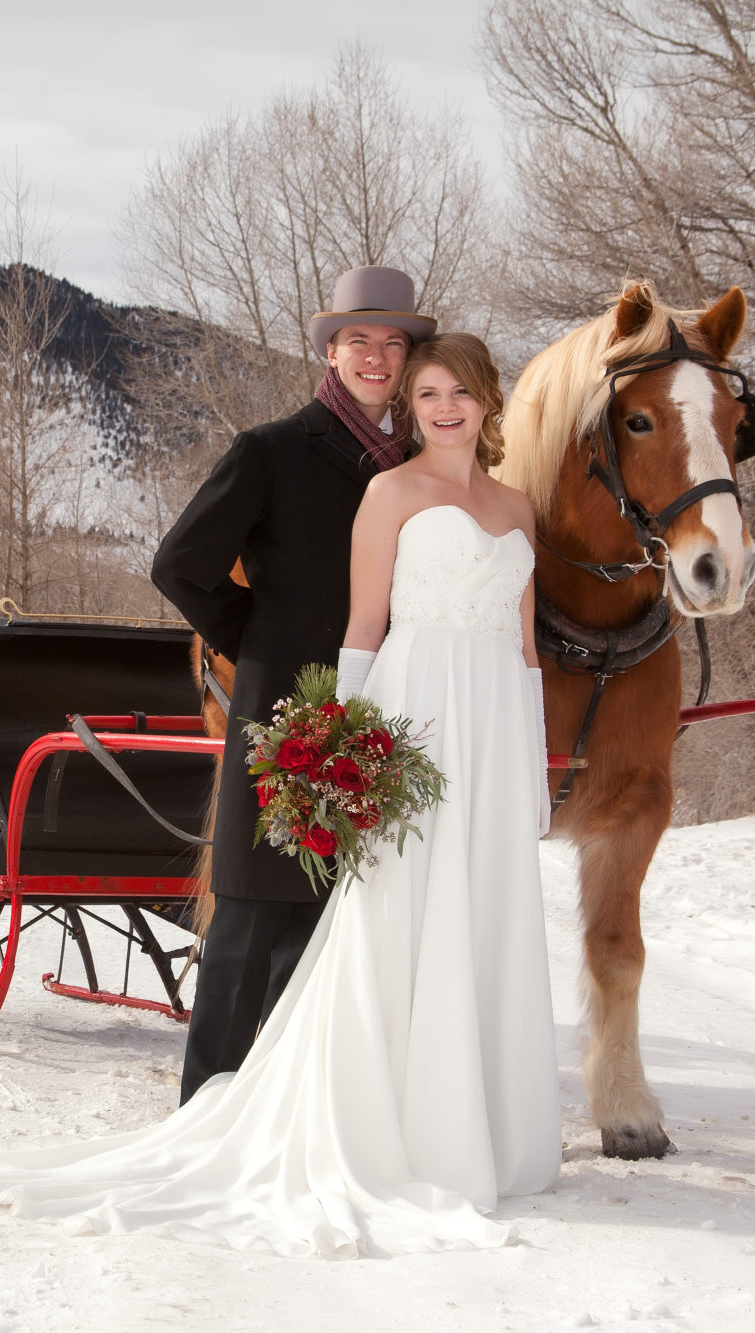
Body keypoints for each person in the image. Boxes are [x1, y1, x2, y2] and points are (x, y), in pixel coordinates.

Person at [0, 331, 562, 1258]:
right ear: (393, 389)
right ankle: (261, 1101)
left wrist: (531, 767)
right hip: (390, 711)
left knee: (470, 917)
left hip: (486, 732)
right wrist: (326, 723)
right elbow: (354, 624)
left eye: (462, 390)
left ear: (490, 401)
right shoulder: (367, 484)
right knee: (303, 915)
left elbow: (526, 650)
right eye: (429, 389)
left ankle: (480, 1118)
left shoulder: (516, 507)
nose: (445, 405)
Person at [150, 265, 435, 1105]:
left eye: (394, 343)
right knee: (248, 915)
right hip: (283, 718)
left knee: (329, 925)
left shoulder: (423, 467)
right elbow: (179, 565)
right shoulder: (270, 451)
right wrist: (259, 639)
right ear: (332, 350)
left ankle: (290, 1111)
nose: (378, 358)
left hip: (388, 719)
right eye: (361, 341)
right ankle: (207, 1109)